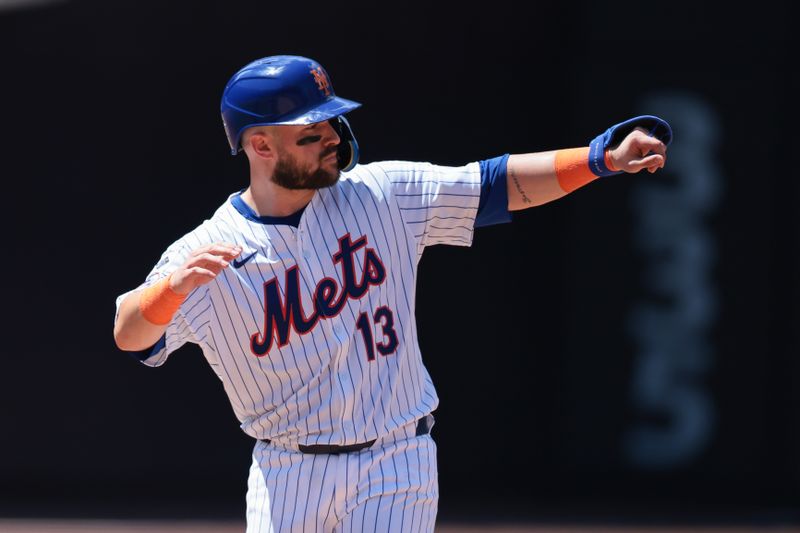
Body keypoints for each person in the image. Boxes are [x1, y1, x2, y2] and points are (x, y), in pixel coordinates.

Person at [113, 55, 671, 532]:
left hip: (396, 460)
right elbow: (130, 334)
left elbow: (496, 185)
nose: (333, 138)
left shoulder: (381, 194)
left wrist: (600, 160)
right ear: (260, 144)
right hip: (287, 474)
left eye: (332, 124)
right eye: (312, 132)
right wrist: (170, 289)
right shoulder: (208, 250)